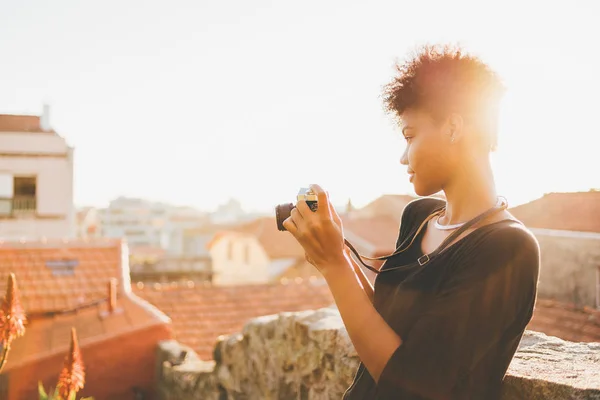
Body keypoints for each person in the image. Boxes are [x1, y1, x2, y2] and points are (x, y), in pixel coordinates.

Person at [282, 44, 540, 400]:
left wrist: (334, 265)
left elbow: (413, 386)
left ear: (453, 127)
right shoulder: (419, 217)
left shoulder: (507, 247)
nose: (403, 157)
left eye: (409, 136)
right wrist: (334, 246)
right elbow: (385, 326)